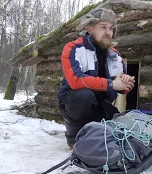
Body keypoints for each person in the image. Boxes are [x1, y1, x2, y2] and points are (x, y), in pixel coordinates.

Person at [57, 8, 135, 148]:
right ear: (90, 28)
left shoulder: (115, 56)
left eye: (111, 28)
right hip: (74, 101)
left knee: (122, 123)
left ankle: (96, 128)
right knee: (85, 96)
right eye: (103, 27)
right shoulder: (73, 48)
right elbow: (75, 81)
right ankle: (73, 136)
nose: (108, 32)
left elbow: (121, 89)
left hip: (101, 103)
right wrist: (111, 84)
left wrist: (126, 83)